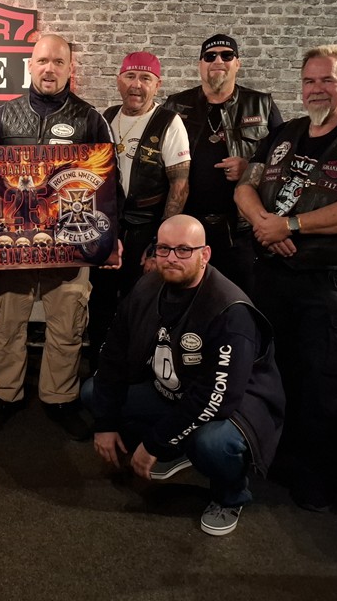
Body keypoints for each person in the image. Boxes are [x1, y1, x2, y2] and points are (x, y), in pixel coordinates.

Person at [234, 43, 337, 511]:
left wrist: (289, 225)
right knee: (274, 371)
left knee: (323, 380)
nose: (317, 88)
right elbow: (245, 186)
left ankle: (317, 478)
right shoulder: (284, 133)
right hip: (271, 276)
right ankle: (276, 460)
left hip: (327, 285)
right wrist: (265, 225)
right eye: (309, 80)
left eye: (327, 79)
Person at [84, 215, 284, 536]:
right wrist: (105, 423)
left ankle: (230, 495)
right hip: (175, 391)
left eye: (183, 250)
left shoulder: (230, 311)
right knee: (93, 393)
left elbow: (216, 399)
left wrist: (154, 444)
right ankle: (178, 447)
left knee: (212, 443)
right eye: (163, 249)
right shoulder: (147, 286)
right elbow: (113, 356)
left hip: (232, 407)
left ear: (205, 255)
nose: (171, 258)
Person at [0, 34, 114, 440]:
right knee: (8, 323)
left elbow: (110, 183)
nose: (49, 69)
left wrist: (111, 236)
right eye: (42, 61)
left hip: (71, 241)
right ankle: (4, 395)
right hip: (13, 246)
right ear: (30, 66)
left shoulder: (90, 119)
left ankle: (60, 399)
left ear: (70, 68)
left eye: (58, 62)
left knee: (67, 326)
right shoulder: (2, 119)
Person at [88, 51, 191, 365]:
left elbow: (180, 186)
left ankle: (136, 373)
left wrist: (161, 244)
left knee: (143, 305)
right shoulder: (106, 117)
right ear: (119, 80)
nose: (137, 85)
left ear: (157, 85)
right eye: (130, 76)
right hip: (107, 227)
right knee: (101, 301)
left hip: (147, 228)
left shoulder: (169, 122)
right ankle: (99, 368)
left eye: (145, 78)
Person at [165, 35, 282, 295]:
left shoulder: (262, 104)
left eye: (226, 55)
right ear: (200, 64)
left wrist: (250, 169)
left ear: (237, 63)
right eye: (210, 56)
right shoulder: (175, 105)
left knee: (240, 300)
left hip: (240, 230)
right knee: (186, 299)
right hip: (188, 227)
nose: (218, 61)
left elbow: (282, 164)